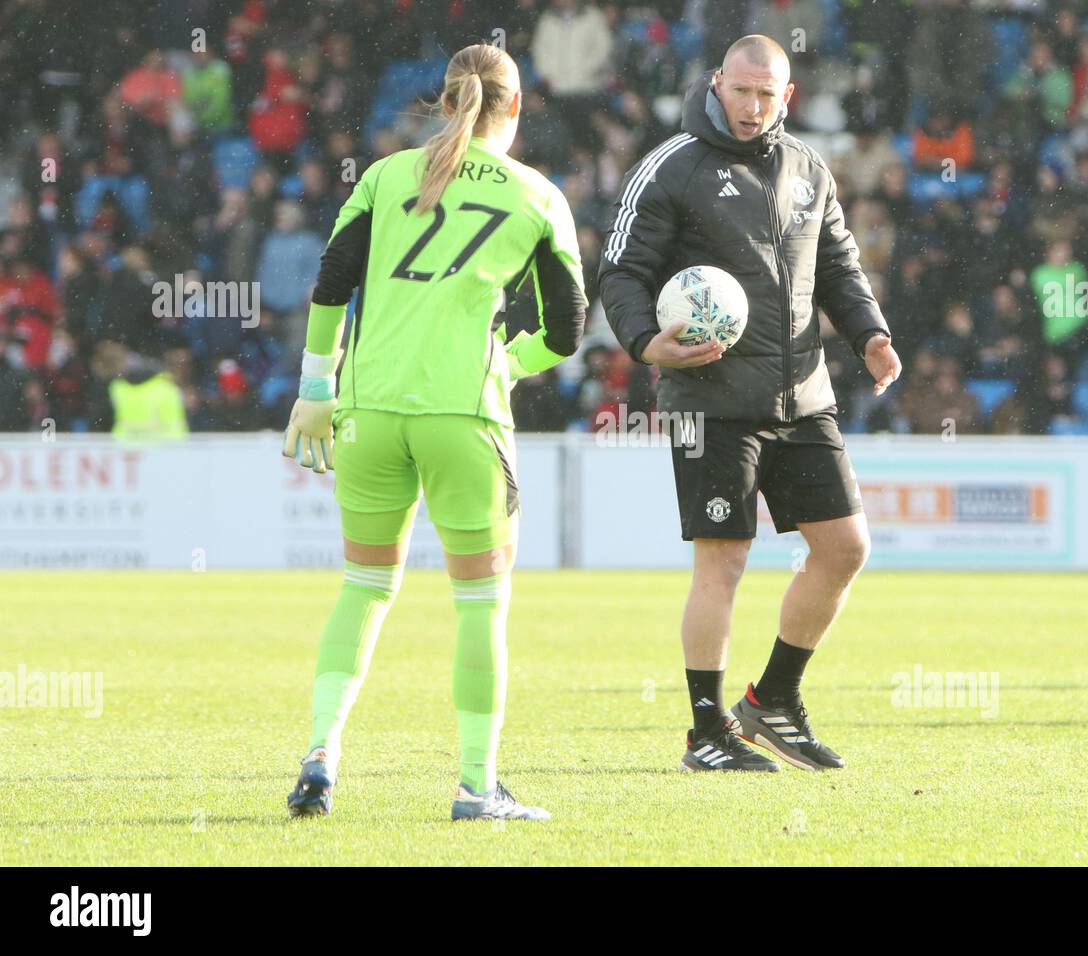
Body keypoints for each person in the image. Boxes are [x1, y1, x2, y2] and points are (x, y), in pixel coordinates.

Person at [281, 43, 586, 821]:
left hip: (368, 412)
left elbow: (330, 280)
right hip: (465, 417)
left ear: (446, 102)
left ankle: (320, 757)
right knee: (481, 603)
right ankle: (477, 787)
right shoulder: (538, 196)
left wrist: (315, 386)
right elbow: (567, 329)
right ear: (514, 108)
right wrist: (509, 363)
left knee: (363, 588)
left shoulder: (383, 177)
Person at [598, 35, 901, 773]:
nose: (753, 106)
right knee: (723, 563)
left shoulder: (808, 168)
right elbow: (620, 271)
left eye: (768, 95)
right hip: (710, 399)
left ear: (787, 97)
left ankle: (772, 701)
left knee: (845, 548)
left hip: (803, 394)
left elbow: (838, 264)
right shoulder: (672, 166)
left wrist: (870, 335)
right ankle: (706, 733)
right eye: (742, 91)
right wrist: (646, 344)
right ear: (717, 83)